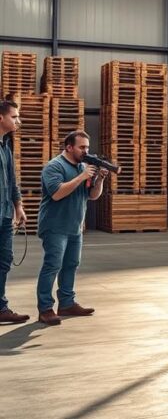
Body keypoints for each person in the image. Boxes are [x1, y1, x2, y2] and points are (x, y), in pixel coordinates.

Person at [36, 131, 108, 326]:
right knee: (52, 266)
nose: (86, 151)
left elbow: (92, 196)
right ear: (69, 147)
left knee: (71, 265)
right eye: (81, 147)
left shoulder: (84, 167)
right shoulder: (54, 166)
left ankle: (67, 304)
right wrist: (81, 176)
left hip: (75, 226)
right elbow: (57, 194)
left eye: (87, 147)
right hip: (54, 226)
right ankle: (45, 309)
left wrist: (99, 179)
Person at [0, 99, 30, 324]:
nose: (18, 120)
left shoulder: (6, 147)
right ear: (1, 118)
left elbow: (11, 181)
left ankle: (1, 307)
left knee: (5, 259)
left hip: (4, 216)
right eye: (14, 116)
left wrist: (18, 207)